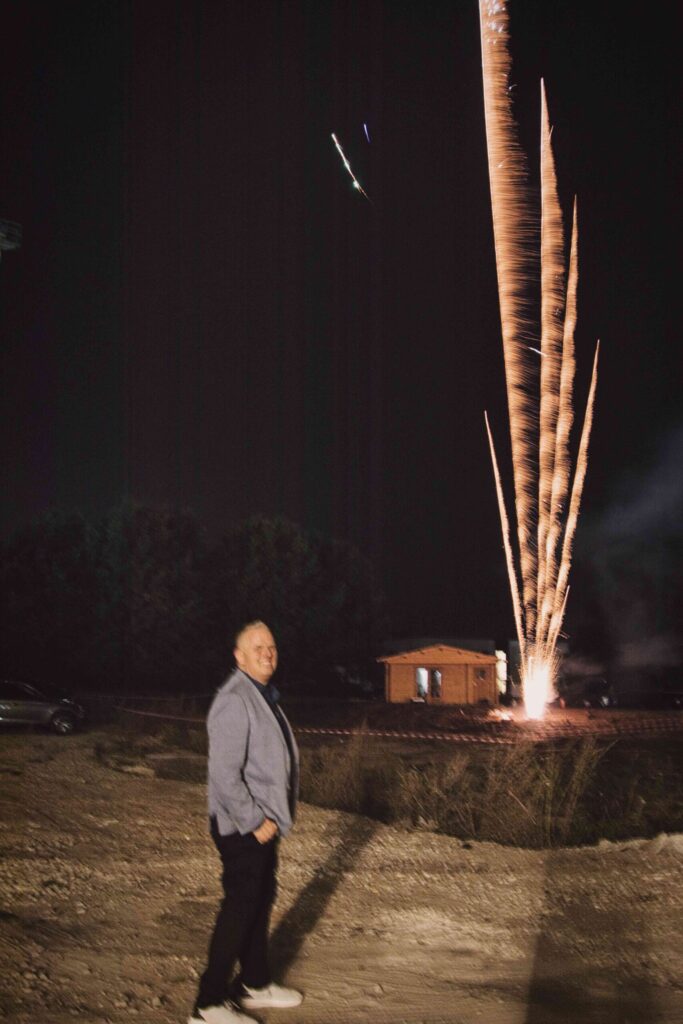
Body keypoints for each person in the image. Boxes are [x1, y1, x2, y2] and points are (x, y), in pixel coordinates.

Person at [189, 621, 303, 1024]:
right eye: (257, 647)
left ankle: (254, 984)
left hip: (263, 825)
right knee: (240, 907)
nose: (268, 652)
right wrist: (256, 820)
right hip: (244, 827)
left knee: (259, 900)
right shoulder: (235, 699)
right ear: (238, 656)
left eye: (271, 646)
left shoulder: (261, 695)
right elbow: (224, 774)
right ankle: (208, 1005)